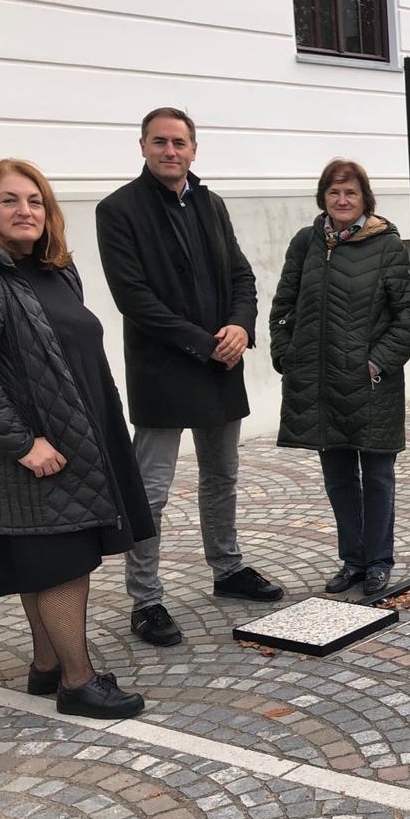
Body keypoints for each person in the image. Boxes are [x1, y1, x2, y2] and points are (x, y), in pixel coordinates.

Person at [0, 161, 151, 719]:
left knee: (44, 557)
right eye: (9, 200)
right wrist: (23, 442)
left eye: (34, 200)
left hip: (74, 439)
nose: (25, 211)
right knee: (60, 561)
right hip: (29, 452)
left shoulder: (55, 270)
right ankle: (79, 683)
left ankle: (47, 667)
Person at [97, 107, 284, 648]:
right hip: (165, 369)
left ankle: (227, 569)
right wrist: (207, 343)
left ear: (194, 150)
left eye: (179, 142)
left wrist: (240, 328)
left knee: (221, 475)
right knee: (150, 491)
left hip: (222, 363)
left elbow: (241, 276)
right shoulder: (118, 211)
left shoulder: (211, 202)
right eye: (160, 142)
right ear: (143, 146)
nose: (170, 151)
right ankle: (146, 600)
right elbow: (135, 300)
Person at [270, 159, 410, 598]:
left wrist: (377, 362)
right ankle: (352, 561)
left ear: (364, 199)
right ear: (323, 197)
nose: (342, 200)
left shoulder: (386, 245)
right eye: (335, 192)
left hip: (371, 387)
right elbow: (283, 307)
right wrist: (288, 356)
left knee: (377, 478)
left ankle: (378, 562)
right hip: (319, 386)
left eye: (350, 193)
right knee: (338, 480)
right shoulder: (306, 243)